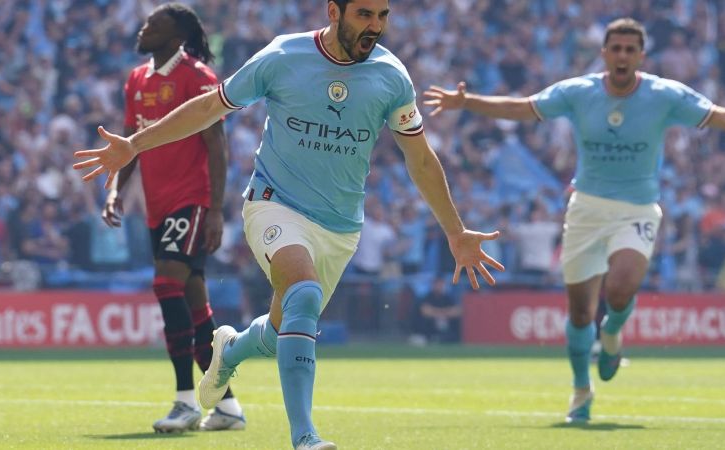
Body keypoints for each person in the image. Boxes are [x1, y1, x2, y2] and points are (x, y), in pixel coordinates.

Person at [73, 1, 504, 448]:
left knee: (284, 328)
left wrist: (455, 231)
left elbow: (419, 157)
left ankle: (230, 351)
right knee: (303, 293)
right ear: (334, 11)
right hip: (273, 204)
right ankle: (305, 437)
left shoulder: (392, 76)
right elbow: (209, 109)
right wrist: (135, 145)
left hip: (339, 226)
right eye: (363, 14)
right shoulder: (282, 56)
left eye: (382, 15)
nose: (375, 26)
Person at [424, 17, 725, 423]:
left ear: (641, 55)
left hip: (637, 210)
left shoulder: (664, 95)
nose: (622, 56)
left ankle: (613, 334)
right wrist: (468, 102)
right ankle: (581, 391)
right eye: (616, 48)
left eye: (630, 49)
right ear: (604, 53)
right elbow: (524, 108)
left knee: (620, 291)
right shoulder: (578, 91)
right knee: (579, 314)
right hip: (586, 209)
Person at [97, 3, 244, 433]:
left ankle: (184, 401)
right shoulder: (137, 79)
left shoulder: (198, 77)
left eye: (153, 24)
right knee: (196, 306)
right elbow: (130, 145)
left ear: (177, 35)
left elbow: (216, 145)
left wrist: (215, 208)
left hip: (192, 199)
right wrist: (115, 191)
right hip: (158, 205)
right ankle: (229, 406)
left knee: (166, 283)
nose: (143, 29)